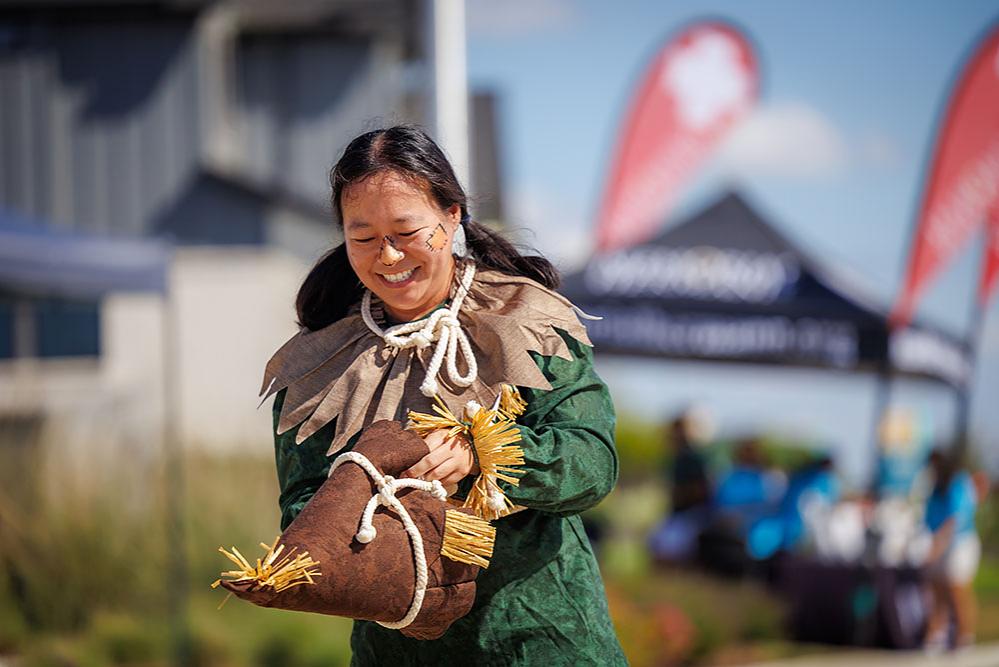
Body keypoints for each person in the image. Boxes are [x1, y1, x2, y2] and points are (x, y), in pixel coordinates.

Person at [265, 125, 626, 665]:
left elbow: (592, 461)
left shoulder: (529, 322)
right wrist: (368, 497)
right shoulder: (318, 366)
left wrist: (485, 454)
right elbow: (301, 507)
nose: (387, 256)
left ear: (452, 216)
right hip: (397, 651)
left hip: (543, 639)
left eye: (407, 231)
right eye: (362, 237)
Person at [922, 449, 981, 652]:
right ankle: (937, 635)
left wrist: (938, 544)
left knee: (957, 591)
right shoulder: (934, 488)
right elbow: (928, 520)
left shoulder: (959, 482)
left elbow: (957, 518)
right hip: (939, 544)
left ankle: (964, 637)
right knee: (936, 589)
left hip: (961, 543)